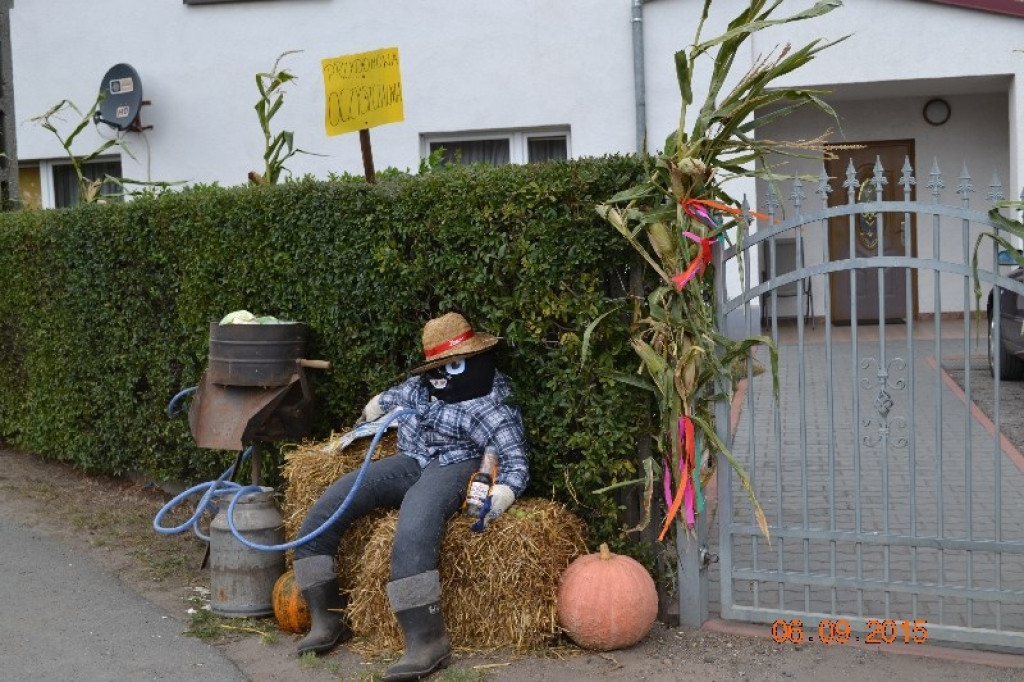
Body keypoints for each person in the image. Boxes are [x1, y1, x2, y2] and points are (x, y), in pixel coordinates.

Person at [292, 312, 529, 681]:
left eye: (454, 364)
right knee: (332, 504)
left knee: (416, 522)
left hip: (458, 463)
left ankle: (426, 639)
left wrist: (504, 491)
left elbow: (515, 459)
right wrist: (378, 404)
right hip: (413, 458)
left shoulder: (492, 405)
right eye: (437, 367)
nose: (443, 374)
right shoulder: (423, 387)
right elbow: (398, 395)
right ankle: (327, 616)